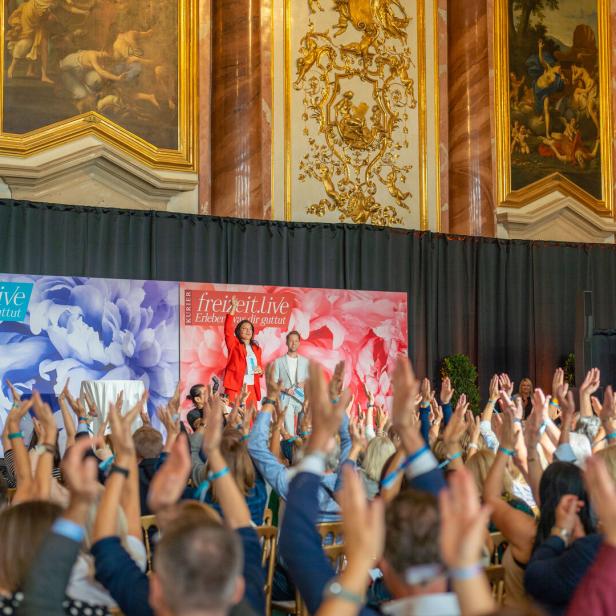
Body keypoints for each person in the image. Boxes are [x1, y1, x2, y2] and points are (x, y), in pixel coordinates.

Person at [223, 297, 263, 408]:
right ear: (238, 331)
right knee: (233, 418)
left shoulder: (257, 349)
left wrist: (260, 371)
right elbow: (227, 330)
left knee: (250, 419)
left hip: (251, 387)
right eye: (244, 328)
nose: (248, 331)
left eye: (250, 329)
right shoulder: (233, 344)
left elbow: (259, 367)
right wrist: (233, 308)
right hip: (235, 386)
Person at [273, 331, 309, 435]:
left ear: (299, 343)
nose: (293, 343)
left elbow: (310, 381)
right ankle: (290, 451)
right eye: (291, 341)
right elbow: (274, 382)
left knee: (303, 432)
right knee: (289, 433)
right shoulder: (279, 361)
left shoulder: (305, 361)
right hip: (286, 400)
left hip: (302, 399)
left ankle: (301, 451)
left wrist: (305, 384)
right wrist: (285, 390)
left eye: (296, 341)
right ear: (287, 342)